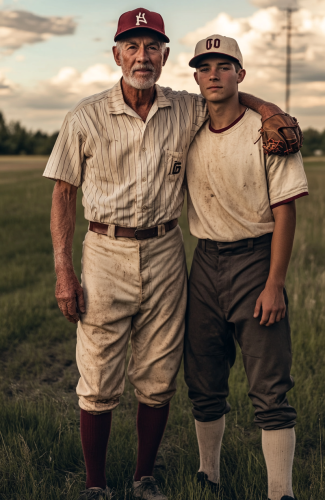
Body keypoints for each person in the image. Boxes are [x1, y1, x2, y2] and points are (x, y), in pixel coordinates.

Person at [43, 8, 303, 500]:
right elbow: (62, 193)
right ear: (116, 54)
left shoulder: (183, 107)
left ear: (165, 56)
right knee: (98, 374)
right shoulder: (85, 115)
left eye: (152, 47)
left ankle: (144, 479)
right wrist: (63, 272)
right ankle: (95, 485)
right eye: (132, 47)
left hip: (165, 248)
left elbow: (223, 92)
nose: (142, 57)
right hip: (105, 249)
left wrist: (266, 107)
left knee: (159, 373)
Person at [184, 35, 309, 500]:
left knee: (269, 384)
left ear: (241, 72)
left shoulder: (266, 128)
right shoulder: (189, 123)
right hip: (204, 260)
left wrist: (275, 282)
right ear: (195, 76)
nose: (213, 74)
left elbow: (286, 212)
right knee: (202, 375)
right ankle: (208, 473)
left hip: (255, 259)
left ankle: (281, 491)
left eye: (224, 65)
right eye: (204, 67)